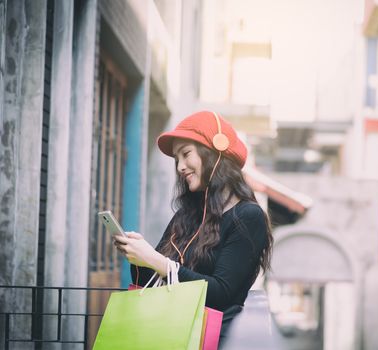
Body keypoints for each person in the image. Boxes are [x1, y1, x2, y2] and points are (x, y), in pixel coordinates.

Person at [113, 110, 273, 338]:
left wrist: (155, 260)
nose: (180, 166)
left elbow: (221, 293)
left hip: (212, 341)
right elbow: (148, 284)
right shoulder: (185, 216)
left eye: (186, 154)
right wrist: (138, 256)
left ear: (214, 154)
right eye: (177, 159)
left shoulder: (248, 216)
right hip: (166, 335)